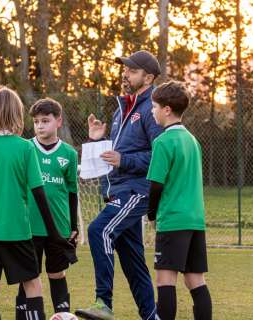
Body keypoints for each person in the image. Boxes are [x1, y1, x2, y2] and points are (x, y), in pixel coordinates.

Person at [0, 86, 76, 320]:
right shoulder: (25, 148)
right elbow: (39, 195)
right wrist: (55, 233)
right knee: (32, 283)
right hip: (17, 231)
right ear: (16, 113)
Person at [76, 50, 163, 320]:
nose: (125, 74)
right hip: (118, 190)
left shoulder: (152, 108)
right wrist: (98, 140)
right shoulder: (121, 109)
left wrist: (124, 159)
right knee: (133, 262)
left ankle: (103, 302)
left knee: (98, 231)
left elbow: (160, 155)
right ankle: (152, 317)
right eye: (125, 69)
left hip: (137, 190)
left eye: (132, 71)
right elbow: (113, 156)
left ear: (148, 77)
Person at [147, 81, 212, 320]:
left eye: (154, 106)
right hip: (195, 220)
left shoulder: (163, 142)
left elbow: (156, 185)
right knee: (195, 279)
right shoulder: (192, 141)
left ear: (166, 110)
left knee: (165, 279)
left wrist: (151, 214)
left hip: (173, 220)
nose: (152, 111)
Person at [15, 98, 79, 319]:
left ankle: (62, 314)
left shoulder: (69, 154)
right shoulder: (25, 148)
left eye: (45, 120)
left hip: (59, 227)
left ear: (58, 121)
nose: (40, 125)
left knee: (56, 273)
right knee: (28, 276)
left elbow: (72, 193)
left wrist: (74, 226)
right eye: (36, 121)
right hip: (28, 226)